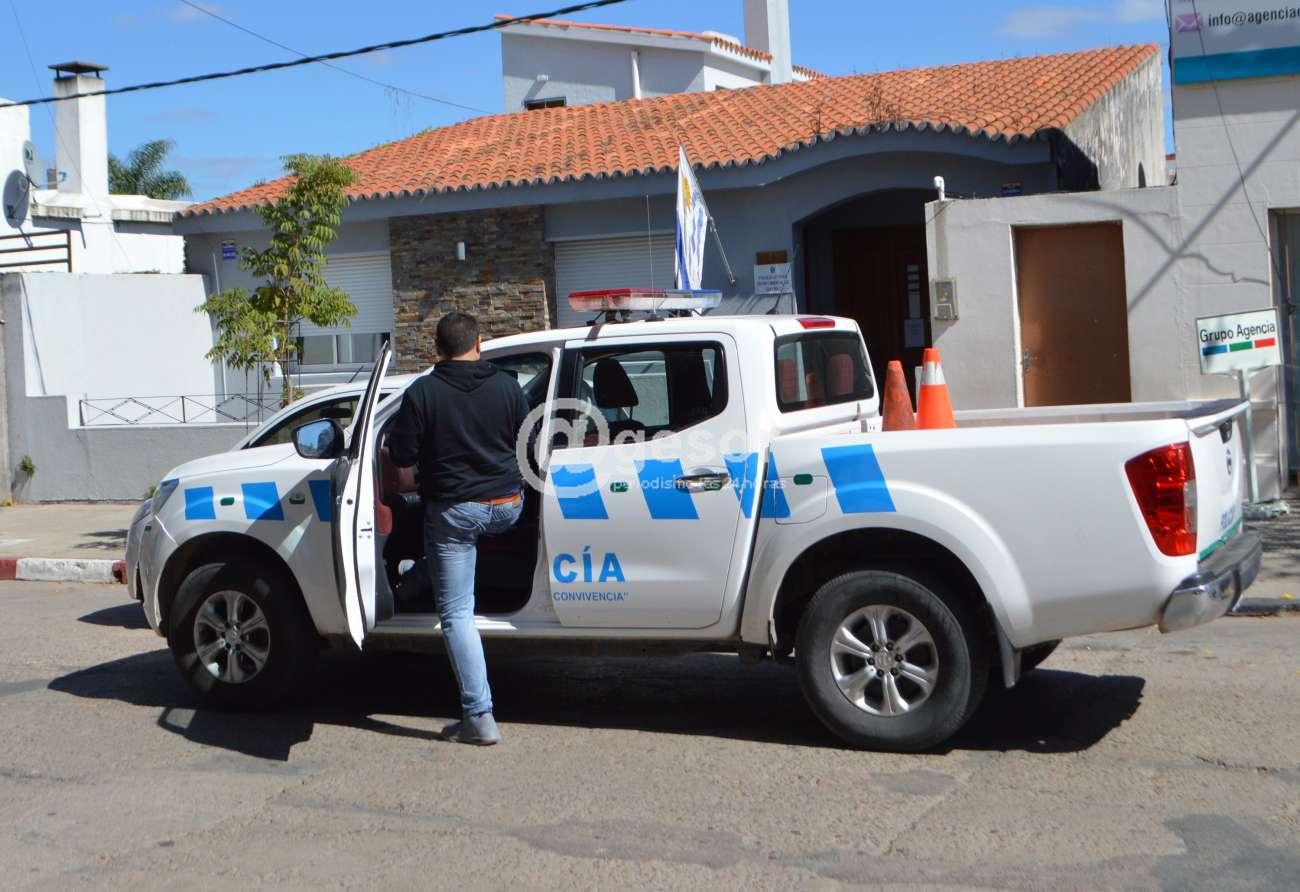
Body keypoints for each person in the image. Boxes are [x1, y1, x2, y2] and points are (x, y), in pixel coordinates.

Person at [387, 311, 528, 746]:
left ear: (437, 349)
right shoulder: (508, 386)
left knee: (456, 613)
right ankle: (419, 576)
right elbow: (526, 440)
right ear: (479, 344)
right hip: (509, 507)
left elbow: (401, 456)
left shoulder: (422, 392)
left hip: (456, 514)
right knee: (454, 545)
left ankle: (479, 717)